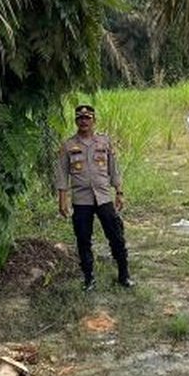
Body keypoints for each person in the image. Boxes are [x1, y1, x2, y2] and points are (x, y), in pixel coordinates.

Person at [54, 104, 133, 290]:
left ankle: (124, 275)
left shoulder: (104, 143)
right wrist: (62, 199)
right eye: (80, 118)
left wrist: (119, 192)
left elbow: (114, 169)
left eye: (87, 118)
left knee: (116, 236)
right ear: (76, 122)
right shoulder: (68, 145)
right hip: (81, 200)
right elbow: (62, 173)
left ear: (94, 121)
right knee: (83, 239)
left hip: (104, 197)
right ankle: (89, 278)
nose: (84, 121)